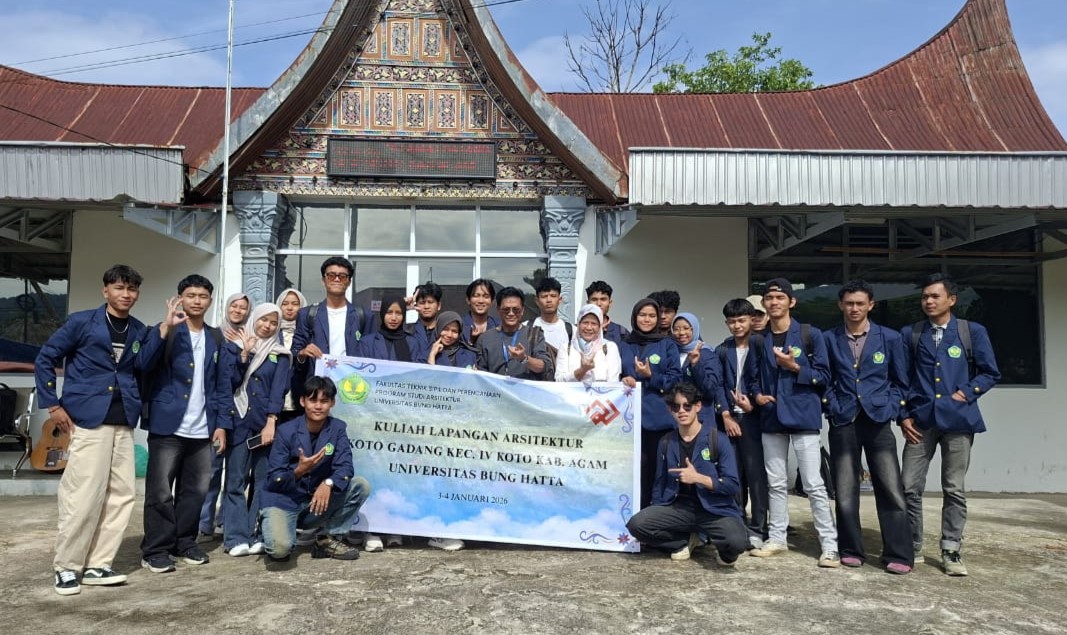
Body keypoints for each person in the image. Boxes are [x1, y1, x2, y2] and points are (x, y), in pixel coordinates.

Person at [35, 265, 148, 595]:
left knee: (122, 495)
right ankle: (67, 567)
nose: (126, 294)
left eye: (132, 289)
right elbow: (45, 358)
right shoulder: (82, 322)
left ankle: (99, 564)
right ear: (105, 291)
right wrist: (52, 405)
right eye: (119, 288)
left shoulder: (139, 330)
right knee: (83, 495)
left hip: (123, 420)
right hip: (87, 419)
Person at [900, 273, 1000, 576]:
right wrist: (903, 415)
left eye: (935, 296)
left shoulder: (971, 332)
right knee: (908, 486)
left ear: (951, 300)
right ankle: (913, 543)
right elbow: (901, 378)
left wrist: (966, 393)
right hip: (920, 421)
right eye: (925, 297)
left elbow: (989, 373)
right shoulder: (912, 333)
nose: (929, 301)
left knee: (954, 488)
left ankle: (951, 548)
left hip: (959, 420)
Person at [138, 274, 229, 573]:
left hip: (203, 429)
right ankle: (156, 549)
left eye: (202, 296)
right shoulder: (165, 330)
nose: (197, 301)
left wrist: (221, 424)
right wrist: (165, 328)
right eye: (191, 295)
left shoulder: (216, 337)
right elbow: (142, 364)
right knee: (160, 492)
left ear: (210, 301)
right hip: (167, 426)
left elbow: (222, 384)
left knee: (195, 491)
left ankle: (185, 541)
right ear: (180, 299)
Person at [746, 278, 839, 568]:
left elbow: (824, 376)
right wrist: (757, 395)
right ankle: (777, 538)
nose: (774, 302)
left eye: (779, 297)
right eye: (769, 298)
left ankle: (830, 545)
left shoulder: (811, 334)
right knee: (775, 482)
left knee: (813, 483)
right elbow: (751, 378)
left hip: (803, 415)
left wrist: (795, 367)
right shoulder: (758, 340)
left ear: (791, 301)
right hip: (771, 417)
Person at [823, 280, 914, 574]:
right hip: (843, 419)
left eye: (860, 303)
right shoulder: (829, 338)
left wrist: (891, 406)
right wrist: (832, 405)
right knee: (845, 488)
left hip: (878, 420)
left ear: (870, 305)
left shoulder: (890, 338)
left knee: (890, 487)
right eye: (849, 303)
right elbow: (824, 378)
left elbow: (900, 381)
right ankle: (850, 549)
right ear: (841, 305)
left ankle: (899, 553)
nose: (854, 308)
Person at [625, 382, 749, 566]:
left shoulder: (717, 439)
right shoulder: (666, 442)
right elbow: (659, 485)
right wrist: (655, 514)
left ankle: (717, 544)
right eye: (676, 407)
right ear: (670, 410)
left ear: (698, 406)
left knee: (737, 543)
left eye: (687, 406)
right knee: (637, 525)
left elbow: (732, 485)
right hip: (678, 507)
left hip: (714, 508)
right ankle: (684, 541)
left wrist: (699, 478)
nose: (681, 411)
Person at [260, 376, 370, 562]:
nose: (318, 406)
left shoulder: (337, 428)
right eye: (313, 400)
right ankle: (271, 526)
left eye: (324, 401)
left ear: (332, 403)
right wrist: (299, 470)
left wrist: (328, 483)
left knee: (360, 486)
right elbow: (273, 479)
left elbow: (345, 467)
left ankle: (326, 539)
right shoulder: (286, 431)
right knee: (280, 551)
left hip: (315, 503)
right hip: (284, 501)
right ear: (303, 401)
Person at [220, 302, 292, 557]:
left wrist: (271, 421)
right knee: (235, 482)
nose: (268, 326)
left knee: (262, 481)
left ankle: (256, 534)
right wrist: (243, 355)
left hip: (264, 425)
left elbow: (279, 390)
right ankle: (235, 538)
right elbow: (228, 383)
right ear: (255, 319)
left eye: (273, 323)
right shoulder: (234, 347)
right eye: (264, 320)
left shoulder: (280, 354)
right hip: (239, 421)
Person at [713, 298, 768, 549]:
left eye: (742, 320)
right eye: (732, 321)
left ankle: (758, 528)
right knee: (732, 475)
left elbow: (766, 381)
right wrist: (725, 414)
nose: (737, 326)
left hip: (754, 419)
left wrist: (753, 406)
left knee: (756, 475)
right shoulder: (722, 349)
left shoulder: (761, 345)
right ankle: (737, 524)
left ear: (751, 320)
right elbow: (718, 385)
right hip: (729, 419)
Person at [619, 298, 682, 508]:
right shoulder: (625, 344)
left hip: (659, 421)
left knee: (659, 470)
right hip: (629, 420)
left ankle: (658, 515)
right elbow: (616, 373)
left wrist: (650, 376)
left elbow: (675, 380)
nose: (647, 320)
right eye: (642, 315)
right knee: (635, 471)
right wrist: (623, 379)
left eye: (652, 316)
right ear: (635, 317)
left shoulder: (667, 344)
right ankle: (637, 515)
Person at [199, 293, 252, 539]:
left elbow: (238, 380)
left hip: (240, 416)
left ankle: (224, 520)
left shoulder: (252, 338)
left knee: (237, 474)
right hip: (216, 411)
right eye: (234, 306)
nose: (238, 311)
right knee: (211, 471)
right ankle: (204, 523)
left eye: (243, 308)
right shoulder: (213, 335)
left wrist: (243, 353)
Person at [291, 257, 374, 404]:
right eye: (331, 275)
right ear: (323, 280)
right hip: (317, 393)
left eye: (342, 276)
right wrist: (303, 354)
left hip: (352, 390)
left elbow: (372, 355)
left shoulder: (364, 316)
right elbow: (295, 353)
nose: (336, 279)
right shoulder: (307, 314)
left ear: (349, 282)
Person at [475, 287, 553, 380]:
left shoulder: (534, 335)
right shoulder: (485, 339)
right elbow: (481, 376)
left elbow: (543, 366)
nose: (511, 313)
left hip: (525, 389)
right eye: (506, 309)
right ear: (498, 310)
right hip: (495, 389)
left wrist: (524, 358)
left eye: (516, 309)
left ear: (522, 310)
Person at [670, 312, 722, 425]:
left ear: (695, 329)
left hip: (700, 419)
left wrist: (695, 365)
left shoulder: (707, 354)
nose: (681, 333)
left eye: (686, 328)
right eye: (676, 329)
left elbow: (710, 390)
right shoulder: (671, 352)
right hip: (675, 418)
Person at [554, 304, 622, 384]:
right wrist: (582, 370)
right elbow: (559, 381)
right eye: (585, 323)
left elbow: (613, 383)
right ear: (578, 324)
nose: (589, 327)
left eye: (594, 323)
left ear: (600, 326)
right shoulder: (566, 348)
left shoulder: (609, 347)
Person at [356, 295, 428, 364]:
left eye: (398, 313)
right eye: (389, 312)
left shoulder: (412, 343)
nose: (393, 318)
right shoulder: (367, 343)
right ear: (383, 313)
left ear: (403, 315)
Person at [275, 286, 309, 423]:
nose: (289, 308)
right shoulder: (271, 333)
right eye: (285, 304)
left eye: (295, 304)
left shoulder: (308, 334)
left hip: (299, 399)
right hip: (275, 402)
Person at [530, 277, 571, 355]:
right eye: (544, 296)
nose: (549, 300)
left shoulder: (571, 330)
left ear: (560, 299)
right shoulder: (528, 327)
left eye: (553, 296)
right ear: (537, 301)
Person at [585, 280, 629, 347]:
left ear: (610, 303)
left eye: (603, 299)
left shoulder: (621, 333)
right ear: (588, 303)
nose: (599, 304)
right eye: (594, 299)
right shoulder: (577, 331)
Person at [462, 278, 499, 346]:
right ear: (468, 300)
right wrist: (471, 342)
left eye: (486, 296)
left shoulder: (499, 326)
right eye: (476, 296)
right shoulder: (459, 326)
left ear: (492, 301)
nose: (481, 301)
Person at [409, 281, 443, 351]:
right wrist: (403, 306)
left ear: (439, 306)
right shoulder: (407, 331)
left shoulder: (446, 332)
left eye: (430, 302)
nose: (426, 306)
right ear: (415, 306)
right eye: (422, 303)